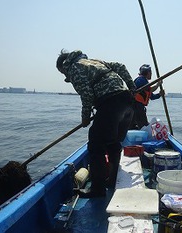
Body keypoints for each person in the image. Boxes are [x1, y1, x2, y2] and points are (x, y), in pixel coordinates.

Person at [56, 49, 136, 198]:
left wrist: (85, 116)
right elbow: (120, 66)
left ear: (64, 66)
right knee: (112, 142)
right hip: (127, 103)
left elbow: (87, 94)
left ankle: (98, 189)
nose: (66, 77)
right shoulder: (95, 62)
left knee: (95, 143)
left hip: (111, 103)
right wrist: (132, 86)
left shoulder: (74, 69)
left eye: (63, 73)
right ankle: (112, 180)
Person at [131, 64, 164, 129]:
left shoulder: (145, 82)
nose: (151, 74)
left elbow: (151, 96)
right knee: (143, 125)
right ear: (147, 72)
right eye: (150, 72)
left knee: (140, 125)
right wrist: (158, 85)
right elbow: (150, 89)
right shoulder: (140, 80)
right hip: (136, 106)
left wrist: (159, 94)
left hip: (140, 107)